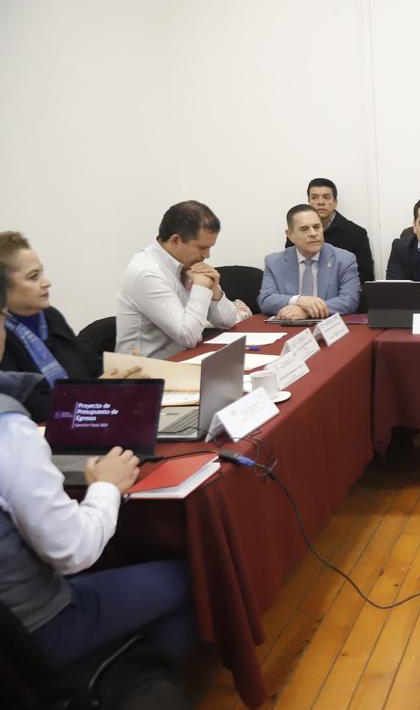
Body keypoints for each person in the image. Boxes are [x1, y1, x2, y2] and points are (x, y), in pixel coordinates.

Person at [0, 288, 195, 671]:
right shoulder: (9, 430)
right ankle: (130, 694)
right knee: (195, 577)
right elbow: (72, 551)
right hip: (37, 629)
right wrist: (106, 486)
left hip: (18, 617)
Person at [116, 201, 240, 358]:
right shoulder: (148, 273)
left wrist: (214, 290)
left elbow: (228, 321)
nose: (207, 255)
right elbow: (188, 337)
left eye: (210, 247)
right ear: (175, 240)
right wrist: (201, 288)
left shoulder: (186, 263)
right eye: (202, 247)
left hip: (183, 360)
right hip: (147, 369)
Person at [0, 231, 102, 383]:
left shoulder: (50, 316)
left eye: (42, 273)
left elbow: (93, 365)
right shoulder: (3, 338)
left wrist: (125, 371)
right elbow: (30, 397)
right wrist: (96, 389)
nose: (46, 282)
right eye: (33, 277)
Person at [259, 205, 361, 319]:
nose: (313, 233)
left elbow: (350, 300)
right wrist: (299, 300)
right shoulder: (274, 262)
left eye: (317, 227)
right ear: (290, 235)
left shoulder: (344, 259)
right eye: (304, 229)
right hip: (288, 324)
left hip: (327, 325)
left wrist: (308, 311)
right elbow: (266, 300)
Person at [286, 178, 375, 296]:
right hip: (302, 296)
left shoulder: (356, 233)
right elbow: (289, 270)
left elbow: (365, 277)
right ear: (309, 202)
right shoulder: (297, 233)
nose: (320, 202)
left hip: (340, 297)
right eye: (314, 197)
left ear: (335, 202)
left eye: (326, 197)